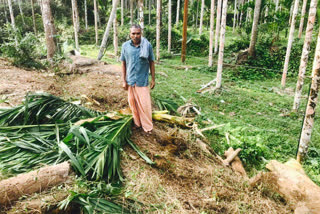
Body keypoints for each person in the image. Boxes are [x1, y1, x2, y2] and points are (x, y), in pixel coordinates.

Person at [120, 24, 155, 134]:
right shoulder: (125, 46)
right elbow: (123, 63)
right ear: (130, 34)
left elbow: (151, 62)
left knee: (145, 105)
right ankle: (137, 123)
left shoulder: (147, 45)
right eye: (133, 33)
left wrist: (153, 79)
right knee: (133, 103)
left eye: (138, 33)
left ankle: (148, 127)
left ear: (141, 34)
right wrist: (123, 80)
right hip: (130, 80)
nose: (135, 36)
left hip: (142, 80)